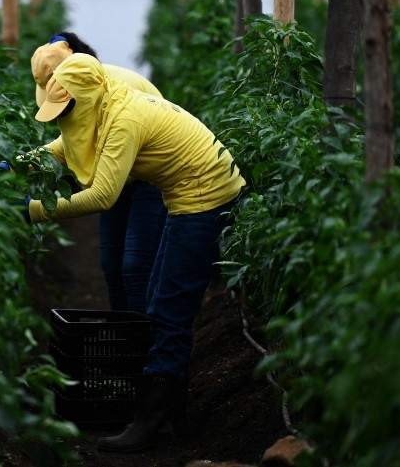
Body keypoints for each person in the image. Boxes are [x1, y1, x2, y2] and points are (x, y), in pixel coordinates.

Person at [26, 53, 246, 453]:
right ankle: (173, 414)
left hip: (205, 197)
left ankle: (154, 416)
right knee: (160, 295)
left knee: (169, 305)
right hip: (185, 196)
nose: (63, 114)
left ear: (85, 96)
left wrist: (34, 211)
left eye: (66, 105)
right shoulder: (103, 102)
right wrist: (14, 165)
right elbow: (61, 145)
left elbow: (104, 196)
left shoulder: (124, 119)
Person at [30, 33, 167, 314]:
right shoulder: (79, 93)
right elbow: (69, 142)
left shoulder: (113, 88)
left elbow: (104, 194)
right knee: (111, 263)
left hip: (149, 176)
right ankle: (121, 332)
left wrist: (34, 209)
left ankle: (142, 340)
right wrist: (24, 161)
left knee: (136, 265)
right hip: (117, 174)